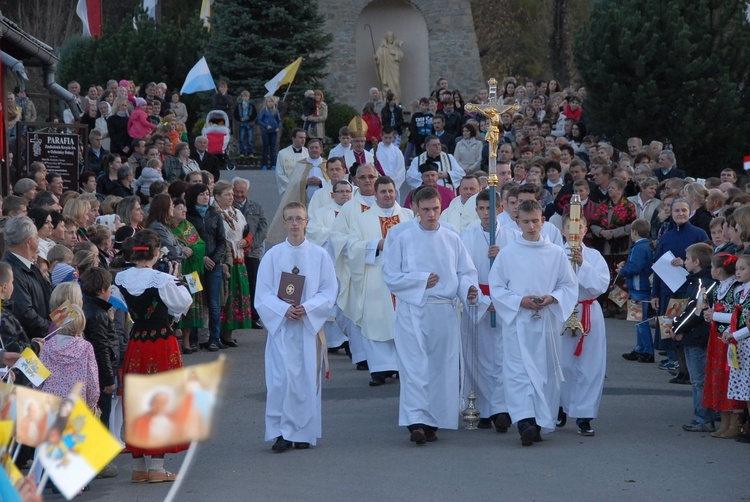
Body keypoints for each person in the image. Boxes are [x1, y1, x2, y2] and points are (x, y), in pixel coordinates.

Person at [382, 187, 479, 445]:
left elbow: (464, 272)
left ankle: (433, 420)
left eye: (435, 209)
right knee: (414, 366)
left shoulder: (451, 237)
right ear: (415, 208)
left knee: (441, 367)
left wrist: (468, 289)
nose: (431, 214)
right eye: (425, 209)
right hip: (412, 308)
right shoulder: (400, 235)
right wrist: (420, 280)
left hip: (442, 310)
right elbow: (390, 275)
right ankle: (416, 421)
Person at [488, 199, 577, 446]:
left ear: (543, 221)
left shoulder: (556, 253)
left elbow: (568, 285)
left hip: (546, 323)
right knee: (518, 372)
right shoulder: (508, 253)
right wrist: (519, 301)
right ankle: (525, 421)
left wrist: (552, 297)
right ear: (517, 222)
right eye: (525, 222)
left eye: (535, 221)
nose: (531, 226)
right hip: (518, 322)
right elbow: (496, 287)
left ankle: (538, 422)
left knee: (544, 373)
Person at [256, 202, 337, 452]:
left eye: (299, 219)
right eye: (289, 219)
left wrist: (308, 308)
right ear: (283, 223)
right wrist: (283, 309)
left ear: (306, 222)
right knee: (280, 381)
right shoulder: (272, 256)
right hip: (282, 329)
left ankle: (302, 432)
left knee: (304, 382)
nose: (294, 224)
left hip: (306, 329)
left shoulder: (319, 255)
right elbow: (263, 294)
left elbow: (329, 290)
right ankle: (281, 432)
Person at [114, 229, 192, 482]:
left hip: (136, 341)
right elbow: (183, 304)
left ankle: (139, 466)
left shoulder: (121, 279)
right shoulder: (162, 279)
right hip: (160, 342)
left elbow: (117, 306)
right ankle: (157, 467)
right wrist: (176, 280)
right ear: (157, 253)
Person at [346, 176, 413, 386]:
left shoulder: (409, 216)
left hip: (403, 279)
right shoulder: (362, 219)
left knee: (403, 323)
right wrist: (377, 244)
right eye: (383, 192)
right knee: (376, 321)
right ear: (375, 194)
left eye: (391, 191)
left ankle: (402, 367)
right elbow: (352, 247)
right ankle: (379, 370)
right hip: (376, 278)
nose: (388, 195)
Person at [459, 190, 517, 431]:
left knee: (502, 357)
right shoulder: (466, 236)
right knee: (477, 356)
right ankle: (482, 406)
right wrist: (481, 300)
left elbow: (521, 269)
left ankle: (501, 407)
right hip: (478, 301)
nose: (485, 213)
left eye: (490, 208)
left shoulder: (513, 236)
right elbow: (462, 272)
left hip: (503, 302)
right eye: (481, 208)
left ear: (500, 208)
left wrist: (503, 257)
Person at [558, 213, 609, 437]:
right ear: (562, 230)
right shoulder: (555, 254)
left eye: (579, 228)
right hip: (562, 311)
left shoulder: (594, 256)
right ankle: (559, 405)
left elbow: (601, 285)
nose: (574, 233)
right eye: (570, 228)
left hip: (588, 311)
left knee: (590, 364)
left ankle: (585, 414)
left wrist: (582, 265)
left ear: (585, 231)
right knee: (562, 363)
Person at [651, 198, 709, 372]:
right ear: (672, 213)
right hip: (668, 290)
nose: (680, 214)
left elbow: (707, 262)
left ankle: (686, 369)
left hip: (691, 290)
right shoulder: (666, 236)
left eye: (684, 210)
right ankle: (674, 362)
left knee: (686, 330)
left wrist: (685, 262)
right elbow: (658, 267)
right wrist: (654, 293)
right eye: (677, 211)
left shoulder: (699, 234)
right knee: (670, 328)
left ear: (689, 212)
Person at [702, 253, 745, 438]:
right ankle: (725, 421)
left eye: (712, 266)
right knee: (718, 378)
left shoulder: (735, 289)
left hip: (730, 338)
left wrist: (715, 316)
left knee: (729, 378)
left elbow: (738, 317)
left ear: (718, 270)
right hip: (718, 337)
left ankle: (735, 423)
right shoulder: (719, 287)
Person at [675, 243, 716, 432]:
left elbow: (696, 312)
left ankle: (703, 418)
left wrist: (678, 327)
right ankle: (702, 415)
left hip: (697, 337)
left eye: (687, 258)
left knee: (699, 380)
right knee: (697, 379)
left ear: (697, 262)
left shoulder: (702, 283)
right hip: (695, 335)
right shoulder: (698, 281)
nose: (684, 262)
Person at [185, 184, 226, 352]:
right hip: (194, 266)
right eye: (201, 194)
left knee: (213, 303)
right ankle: (193, 339)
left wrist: (214, 260)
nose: (204, 197)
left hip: (213, 266)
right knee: (194, 301)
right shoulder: (188, 216)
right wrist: (201, 258)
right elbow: (187, 241)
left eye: (207, 194)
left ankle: (214, 338)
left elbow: (222, 241)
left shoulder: (215, 214)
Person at [213, 181, 254, 344]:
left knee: (237, 296)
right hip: (226, 259)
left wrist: (246, 241)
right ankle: (219, 333)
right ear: (217, 197)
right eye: (227, 195)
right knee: (225, 297)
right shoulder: (215, 214)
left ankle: (229, 333)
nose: (231, 197)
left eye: (231, 194)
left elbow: (246, 231)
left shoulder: (236, 212)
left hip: (239, 259)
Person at [39, 303, 100, 409]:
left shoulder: (47, 345)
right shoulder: (86, 347)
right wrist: (91, 404)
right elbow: (92, 381)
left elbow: (38, 378)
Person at [2, 215, 52, 338]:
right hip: (30, 346)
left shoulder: (30, 266)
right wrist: (52, 328)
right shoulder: (12, 272)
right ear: (29, 241)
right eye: (36, 237)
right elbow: (25, 314)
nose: (39, 241)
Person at [81, 267, 118, 427]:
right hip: (100, 376)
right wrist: (109, 379)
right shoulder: (98, 315)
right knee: (102, 419)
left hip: (92, 373)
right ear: (103, 289)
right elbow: (101, 348)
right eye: (110, 287)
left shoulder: (86, 307)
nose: (111, 291)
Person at [170, 197, 205, 353]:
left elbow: (201, 244)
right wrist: (183, 251)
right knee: (177, 305)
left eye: (184, 208)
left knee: (192, 305)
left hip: (193, 274)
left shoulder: (189, 226)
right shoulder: (168, 230)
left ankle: (186, 341)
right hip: (179, 272)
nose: (183, 211)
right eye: (179, 208)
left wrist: (192, 250)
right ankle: (175, 341)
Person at [232, 177, 267, 330]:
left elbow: (263, 229)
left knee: (253, 284)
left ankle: (254, 316)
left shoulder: (257, 208)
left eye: (242, 191)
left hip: (252, 253)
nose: (239, 195)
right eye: (236, 191)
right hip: (234, 252)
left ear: (247, 191)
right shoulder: (228, 208)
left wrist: (252, 244)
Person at [618, 219, 655, 362]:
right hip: (640, 287)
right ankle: (640, 348)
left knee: (640, 321)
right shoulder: (646, 246)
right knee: (638, 320)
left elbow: (636, 268)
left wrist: (623, 270)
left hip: (638, 287)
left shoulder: (639, 247)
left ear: (634, 232)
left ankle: (647, 350)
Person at [723, 253, 750, 442]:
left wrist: (734, 335)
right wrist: (727, 331)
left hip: (746, 342)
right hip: (740, 344)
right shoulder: (739, 291)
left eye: (743, 269)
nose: (738, 272)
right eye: (737, 269)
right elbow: (735, 316)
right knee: (745, 390)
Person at [145, 193, 187, 263]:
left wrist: (179, 248)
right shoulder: (157, 227)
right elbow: (173, 252)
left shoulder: (164, 225)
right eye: (171, 206)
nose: (173, 208)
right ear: (164, 207)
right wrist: (183, 250)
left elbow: (176, 245)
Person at [275, 128, 308, 194]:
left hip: (305, 189)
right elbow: (279, 173)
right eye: (300, 137)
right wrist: (291, 186)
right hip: (289, 190)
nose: (303, 140)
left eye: (304, 138)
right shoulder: (283, 153)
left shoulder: (308, 153)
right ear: (293, 138)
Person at [374, 32, 403, 101]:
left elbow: (401, 55)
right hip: (385, 69)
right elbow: (378, 55)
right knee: (386, 86)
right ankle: (388, 100)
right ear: (386, 38)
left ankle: (397, 101)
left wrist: (395, 53)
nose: (390, 38)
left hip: (394, 68)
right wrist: (376, 58)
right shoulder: (383, 47)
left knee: (396, 83)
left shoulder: (396, 47)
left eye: (392, 37)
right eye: (389, 37)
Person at [258, 97, 282, 170]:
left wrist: (278, 127)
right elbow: (259, 120)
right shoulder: (263, 111)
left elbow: (279, 121)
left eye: (271, 102)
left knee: (273, 148)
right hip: (265, 131)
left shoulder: (275, 111)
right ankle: (264, 164)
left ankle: (273, 165)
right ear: (266, 103)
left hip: (273, 131)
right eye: (268, 102)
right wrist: (265, 125)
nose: (270, 103)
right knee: (265, 148)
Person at [234, 90, 258, 156]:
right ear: (241, 97)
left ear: (249, 97)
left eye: (247, 96)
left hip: (249, 124)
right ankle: (242, 152)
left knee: (250, 139)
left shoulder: (251, 105)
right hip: (242, 124)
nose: (245, 98)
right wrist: (240, 119)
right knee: (241, 139)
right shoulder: (239, 105)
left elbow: (254, 114)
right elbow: (235, 114)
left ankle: (250, 152)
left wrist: (248, 118)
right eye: (244, 96)